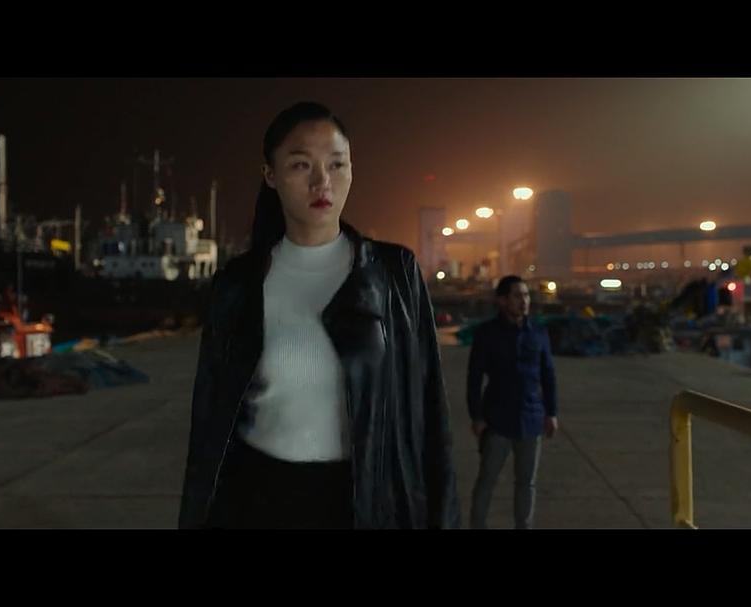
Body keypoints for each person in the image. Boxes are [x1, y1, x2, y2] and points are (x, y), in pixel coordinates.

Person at [178, 101, 459, 529]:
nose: (321, 181)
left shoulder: (392, 274)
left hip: (363, 501)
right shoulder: (237, 285)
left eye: (336, 164)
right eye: (300, 165)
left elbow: (430, 416)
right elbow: (208, 425)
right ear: (270, 175)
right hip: (257, 499)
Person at [467, 275, 558, 529]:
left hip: (531, 418)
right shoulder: (487, 334)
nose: (524, 301)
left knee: (526, 482)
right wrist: (476, 416)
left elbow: (548, 375)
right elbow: (474, 378)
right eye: (517, 296)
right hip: (497, 419)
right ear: (502, 301)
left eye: (526, 295)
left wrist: (551, 412)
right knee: (487, 480)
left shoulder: (538, 333)